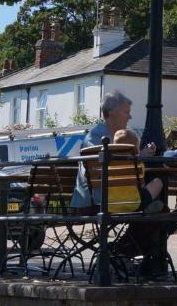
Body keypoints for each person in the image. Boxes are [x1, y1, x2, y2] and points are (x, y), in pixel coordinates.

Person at [70, 91, 167, 279]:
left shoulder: (108, 137)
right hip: (98, 203)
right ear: (111, 113)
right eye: (126, 112)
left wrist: (140, 157)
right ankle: (121, 254)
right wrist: (140, 158)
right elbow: (108, 169)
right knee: (160, 212)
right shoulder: (96, 139)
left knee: (163, 213)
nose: (130, 116)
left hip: (103, 200)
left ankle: (119, 253)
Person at [112, 129, 165, 214]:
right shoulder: (138, 165)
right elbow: (142, 186)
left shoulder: (109, 165)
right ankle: (149, 208)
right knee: (158, 182)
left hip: (110, 205)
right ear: (136, 149)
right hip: (133, 204)